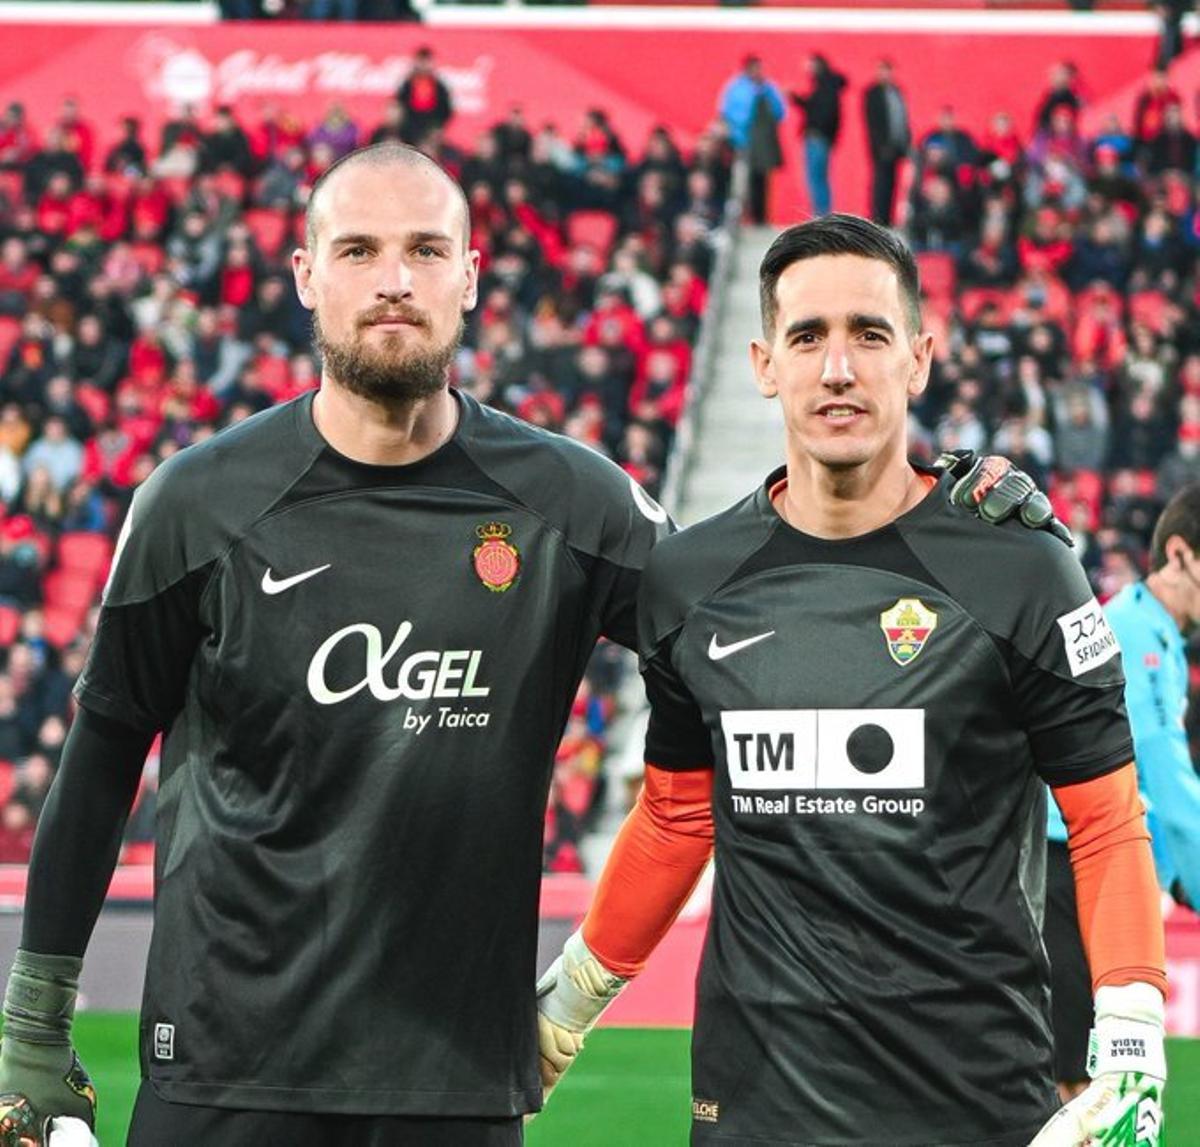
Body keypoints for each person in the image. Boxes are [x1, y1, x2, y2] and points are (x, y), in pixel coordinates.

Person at [0, 142, 672, 1147]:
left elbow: (748, 632)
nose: (395, 280)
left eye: (425, 250)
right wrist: (31, 1026)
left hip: (453, 1086)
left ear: (471, 278)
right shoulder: (195, 505)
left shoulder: (577, 505)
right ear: (307, 274)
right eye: (358, 249)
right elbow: (100, 759)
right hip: (223, 1068)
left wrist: (937, 524)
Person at [537, 215, 1167, 1147]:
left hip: (976, 1108)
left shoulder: (1021, 570)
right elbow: (677, 814)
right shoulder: (690, 583)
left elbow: (1107, 819)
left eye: (869, 335)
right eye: (808, 336)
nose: (839, 367)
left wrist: (1130, 1033)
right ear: (763, 363)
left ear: (917, 358)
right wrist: (571, 1001)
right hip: (754, 1110)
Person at [1045, 483, 1200, 1101]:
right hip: (1069, 868)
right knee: (1074, 1084)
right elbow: (1160, 773)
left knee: (1088, 1077)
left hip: (1091, 867)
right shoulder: (1133, 634)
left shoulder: (1156, 634)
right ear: (1181, 553)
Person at [717, 55, 785, 225]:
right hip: (740, 144)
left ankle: (760, 217)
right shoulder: (736, 88)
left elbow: (780, 112)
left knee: (761, 182)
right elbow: (727, 113)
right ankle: (740, 218)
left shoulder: (768, 88)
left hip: (761, 146)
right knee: (740, 182)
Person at [789, 52, 847, 217]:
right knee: (820, 178)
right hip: (823, 138)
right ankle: (822, 214)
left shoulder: (824, 87)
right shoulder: (829, 87)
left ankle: (821, 215)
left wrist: (817, 129)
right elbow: (815, 108)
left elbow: (820, 112)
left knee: (815, 178)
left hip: (817, 138)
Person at [862, 58, 910, 225]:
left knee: (892, 183)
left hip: (897, 146)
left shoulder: (897, 91)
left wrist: (906, 141)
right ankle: (878, 218)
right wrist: (880, 145)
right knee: (880, 182)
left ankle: (888, 219)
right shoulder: (872, 93)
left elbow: (903, 119)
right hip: (881, 147)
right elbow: (871, 122)